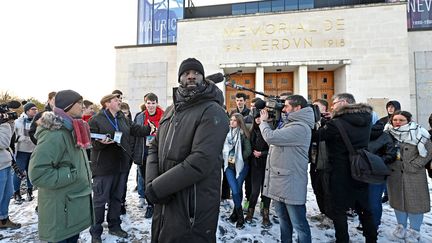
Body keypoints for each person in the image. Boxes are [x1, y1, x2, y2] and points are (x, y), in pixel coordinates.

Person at [145, 58, 229, 242]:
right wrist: (151, 182)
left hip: (192, 207)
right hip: (165, 203)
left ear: (203, 78)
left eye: (196, 73)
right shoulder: (170, 111)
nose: (191, 76)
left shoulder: (212, 110)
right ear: (179, 79)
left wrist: (157, 188)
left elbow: (200, 161)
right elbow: (154, 146)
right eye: (185, 73)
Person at [29, 89, 93, 243]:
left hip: (71, 206)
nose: (82, 106)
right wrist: (72, 173)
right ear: (67, 106)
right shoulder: (54, 134)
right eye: (79, 103)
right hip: (59, 211)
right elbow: (38, 174)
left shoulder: (74, 128)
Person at [88, 94, 152, 242]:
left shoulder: (122, 118)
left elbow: (134, 129)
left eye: (120, 100)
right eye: (116, 100)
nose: (119, 102)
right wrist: (100, 143)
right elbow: (90, 141)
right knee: (99, 200)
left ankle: (114, 225)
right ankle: (95, 232)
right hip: (103, 166)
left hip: (121, 164)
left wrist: (148, 129)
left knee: (117, 198)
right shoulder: (96, 119)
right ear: (107, 103)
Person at [317, 93, 377, 243]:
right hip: (360, 169)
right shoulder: (366, 118)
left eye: (334, 103)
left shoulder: (335, 124)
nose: (332, 106)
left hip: (340, 171)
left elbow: (316, 136)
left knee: (339, 210)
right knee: (364, 208)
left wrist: (323, 122)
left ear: (343, 102)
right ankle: (371, 239)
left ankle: (342, 240)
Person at [260, 95, 314, 243]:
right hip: (280, 181)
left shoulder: (300, 127)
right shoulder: (289, 123)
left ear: (298, 108)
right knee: (284, 222)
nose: (283, 109)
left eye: (287, 106)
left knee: (299, 225)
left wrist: (263, 123)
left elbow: (271, 138)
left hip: (291, 184)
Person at [384, 111, 432, 242]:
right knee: (398, 201)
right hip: (395, 175)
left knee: (415, 203)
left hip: (414, 175)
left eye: (401, 120)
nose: (397, 122)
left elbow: (427, 152)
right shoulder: (388, 134)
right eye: (395, 120)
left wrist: (414, 166)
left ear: (409, 120)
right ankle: (401, 227)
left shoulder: (419, 132)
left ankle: (414, 231)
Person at [133, 92, 164, 218]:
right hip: (144, 152)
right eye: (148, 103)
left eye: (153, 103)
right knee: (146, 179)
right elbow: (134, 132)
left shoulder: (164, 116)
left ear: (157, 103)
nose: (151, 106)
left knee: (159, 177)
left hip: (160, 152)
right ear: (145, 103)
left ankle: (159, 201)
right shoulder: (140, 117)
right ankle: (150, 204)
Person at [366, 119, 397, 231]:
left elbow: (391, 154)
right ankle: (372, 223)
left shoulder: (359, 133)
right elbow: (391, 154)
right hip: (376, 172)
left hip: (370, 172)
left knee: (371, 201)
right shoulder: (385, 135)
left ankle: (372, 224)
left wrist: (373, 161)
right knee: (373, 200)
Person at [223, 113, 251, 229]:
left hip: (241, 166)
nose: (232, 122)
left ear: (239, 122)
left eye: (234, 120)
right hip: (228, 166)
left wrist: (238, 157)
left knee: (237, 190)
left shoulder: (243, 134)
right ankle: (239, 215)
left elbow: (248, 151)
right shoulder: (227, 134)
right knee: (235, 190)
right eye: (231, 120)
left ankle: (237, 215)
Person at [245, 110, 271, 228]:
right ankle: (250, 211)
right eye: (256, 118)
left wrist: (262, 153)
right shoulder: (252, 131)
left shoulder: (268, 131)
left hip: (267, 165)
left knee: (265, 192)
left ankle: (266, 213)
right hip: (255, 165)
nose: (258, 120)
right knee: (254, 191)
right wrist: (253, 154)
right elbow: (247, 148)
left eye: (259, 117)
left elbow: (273, 149)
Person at [13, 102, 38, 203]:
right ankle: (17, 193)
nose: (35, 111)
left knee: (30, 172)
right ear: (27, 111)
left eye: (36, 109)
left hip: (33, 150)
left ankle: (30, 191)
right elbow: (13, 136)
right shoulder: (18, 121)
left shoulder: (38, 121)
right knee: (19, 172)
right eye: (33, 109)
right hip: (21, 151)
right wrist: (20, 138)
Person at [0, 120, 21, 229]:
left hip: (5, 163)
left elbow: (9, 137)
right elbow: (3, 143)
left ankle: (3, 219)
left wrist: (10, 123)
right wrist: (4, 124)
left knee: (7, 194)